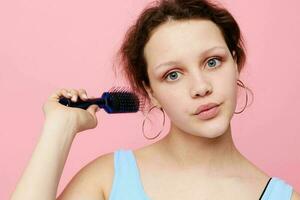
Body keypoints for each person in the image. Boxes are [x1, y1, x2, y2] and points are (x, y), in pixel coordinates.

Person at [10, 0, 300, 200]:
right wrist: (59, 129)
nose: (200, 87)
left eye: (213, 62)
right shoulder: (108, 179)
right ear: (150, 92)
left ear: (235, 63)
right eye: (173, 75)